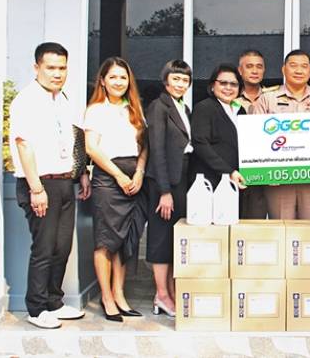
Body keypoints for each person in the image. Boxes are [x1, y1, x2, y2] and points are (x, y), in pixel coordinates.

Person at [10, 42, 91, 329]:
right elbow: (24, 145)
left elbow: (74, 137)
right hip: (40, 183)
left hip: (64, 181)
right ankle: (36, 308)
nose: (57, 73)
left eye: (62, 68)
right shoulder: (26, 101)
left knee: (61, 247)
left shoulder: (63, 99)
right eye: (51, 68)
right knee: (44, 248)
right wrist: (36, 189)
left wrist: (81, 173)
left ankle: (54, 302)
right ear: (37, 68)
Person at [84, 57, 147, 322]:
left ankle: (120, 294)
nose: (118, 82)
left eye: (123, 77)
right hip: (109, 180)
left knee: (125, 240)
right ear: (103, 81)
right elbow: (91, 148)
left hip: (134, 178)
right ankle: (107, 297)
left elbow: (144, 146)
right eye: (113, 77)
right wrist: (119, 175)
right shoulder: (96, 110)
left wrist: (139, 172)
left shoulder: (134, 109)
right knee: (106, 241)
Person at [252, 49, 310, 220]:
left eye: (304, 66)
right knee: (281, 229)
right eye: (293, 65)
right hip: (278, 177)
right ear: (283, 69)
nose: (298, 70)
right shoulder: (267, 99)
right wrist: (265, 169)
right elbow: (255, 136)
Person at [144, 60, 194, 318]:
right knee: (161, 237)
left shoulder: (184, 107)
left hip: (181, 178)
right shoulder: (158, 106)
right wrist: (164, 191)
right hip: (164, 182)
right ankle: (161, 294)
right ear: (165, 81)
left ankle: (172, 292)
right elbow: (157, 149)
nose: (180, 84)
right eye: (176, 79)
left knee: (175, 236)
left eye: (185, 80)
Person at [191, 64, 247, 190]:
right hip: (209, 182)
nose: (228, 88)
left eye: (234, 84)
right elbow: (200, 144)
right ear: (212, 86)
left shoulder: (241, 110)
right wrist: (228, 172)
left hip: (236, 181)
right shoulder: (204, 108)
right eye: (223, 83)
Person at [236, 50, 268, 219]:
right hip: (235, 167)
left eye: (259, 67)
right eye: (249, 66)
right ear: (240, 70)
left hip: (264, 168)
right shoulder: (229, 96)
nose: (255, 71)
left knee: (258, 220)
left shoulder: (273, 97)